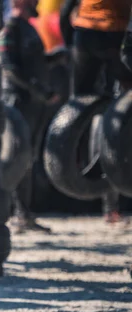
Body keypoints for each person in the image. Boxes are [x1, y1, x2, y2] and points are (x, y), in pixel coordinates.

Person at [61, 0, 132, 225]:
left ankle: (77, 161)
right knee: (119, 101)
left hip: (83, 35)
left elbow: (65, 12)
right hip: (114, 36)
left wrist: (67, 45)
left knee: (80, 102)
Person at [0, 0, 60, 234]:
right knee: (18, 158)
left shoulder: (28, 27)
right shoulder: (11, 28)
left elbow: (30, 63)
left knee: (28, 159)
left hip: (32, 104)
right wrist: (39, 90)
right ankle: (15, 215)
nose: (38, 3)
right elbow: (9, 68)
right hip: (16, 103)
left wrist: (53, 60)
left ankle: (24, 215)